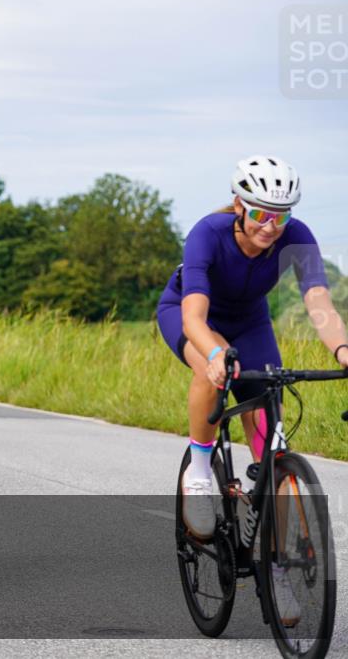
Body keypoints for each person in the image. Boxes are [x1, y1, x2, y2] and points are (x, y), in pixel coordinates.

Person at [157, 155, 348, 625]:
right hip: (192, 313)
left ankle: (277, 570)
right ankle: (200, 469)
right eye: (261, 213)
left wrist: (344, 350)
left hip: (251, 321)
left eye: (280, 216)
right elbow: (194, 318)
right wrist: (217, 354)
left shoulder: (297, 236)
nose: (270, 226)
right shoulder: (208, 233)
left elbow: (318, 303)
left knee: (274, 446)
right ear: (239, 204)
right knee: (211, 368)